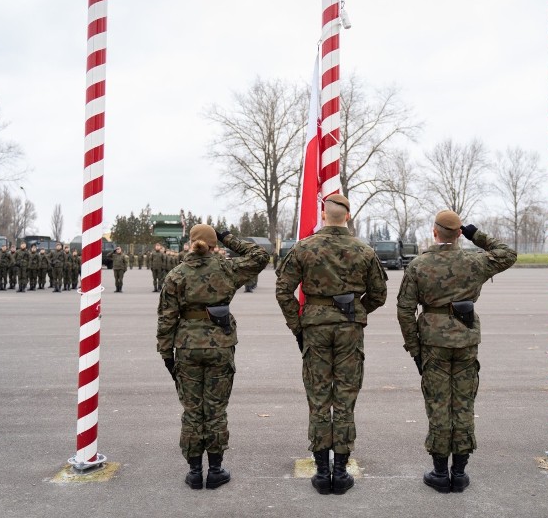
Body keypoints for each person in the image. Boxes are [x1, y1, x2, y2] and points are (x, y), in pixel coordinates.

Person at [396, 210, 517, 493]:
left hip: (433, 344)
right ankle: (459, 473)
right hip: (465, 342)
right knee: (463, 403)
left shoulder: (419, 265)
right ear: (458, 233)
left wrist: (414, 349)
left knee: (439, 404)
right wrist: (476, 235)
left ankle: (440, 473)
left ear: (434, 232)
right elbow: (507, 253)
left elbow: (404, 310)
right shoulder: (475, 261)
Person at [275, 194, 388, 495]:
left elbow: (283, 290)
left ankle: (322, 472)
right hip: (349, 329)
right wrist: (356, 311)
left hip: (315, 328)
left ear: (324, 215)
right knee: (345, 397)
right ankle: (340, 470)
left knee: (319, 396)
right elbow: (379, 294)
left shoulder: (305, 248)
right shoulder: (363, 250)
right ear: (347, 217)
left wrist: (297, 323)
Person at [157, 225, 269, 490]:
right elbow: (260, 256)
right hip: (220, 345)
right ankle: (216, 470)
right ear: (212, 244)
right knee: (216, 410)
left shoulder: (176, 274)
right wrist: (228, 237)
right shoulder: (226, 269)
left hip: (186, 348)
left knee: (193, 411)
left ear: (190, 244)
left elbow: (166, 318)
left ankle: (195, 471)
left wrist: (166, 354)